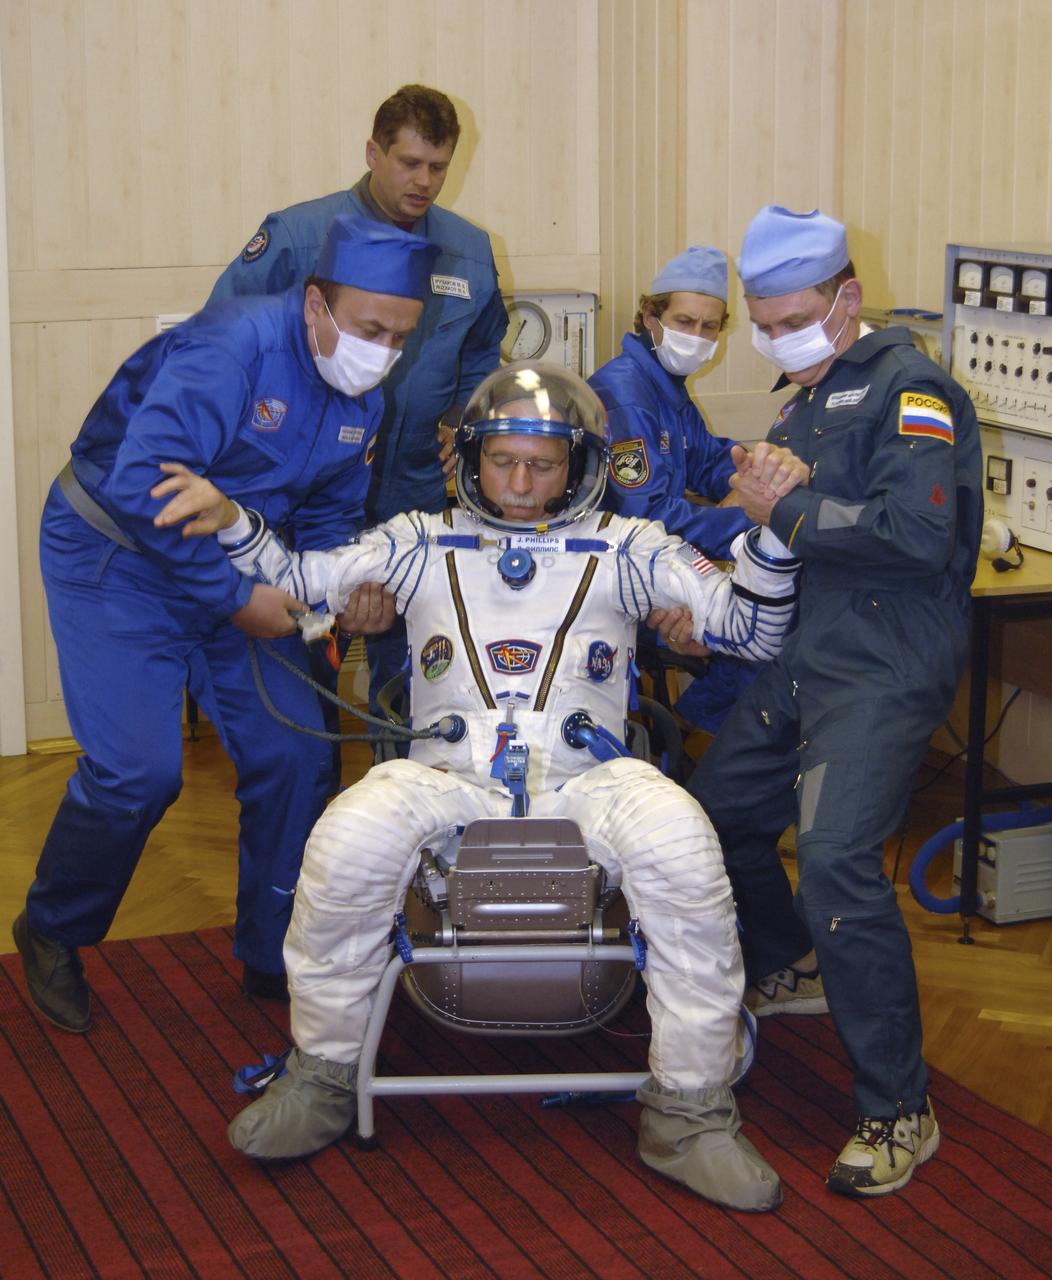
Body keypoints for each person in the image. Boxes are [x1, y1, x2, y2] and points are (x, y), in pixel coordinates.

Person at [157, 362, 804, 1212]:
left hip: (589, 777)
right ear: (470, 458)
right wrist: (233, 520)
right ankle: (322, 1075)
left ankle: (690, 1112)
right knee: (348, 835)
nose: (523, 483)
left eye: (544, 464)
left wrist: (770, 532)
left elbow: (750, 629)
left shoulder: (631, 546)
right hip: (448, 776)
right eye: (503, 461)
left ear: (579, 465)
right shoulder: (419, 541)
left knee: (683, 845)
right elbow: (300, 582)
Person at [12, 214, 440, 1032]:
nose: (383, 353)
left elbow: (328, 514)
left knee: (296, 755)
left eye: (401, 336)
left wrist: (338, 585)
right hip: (116, 556)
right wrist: (237, 599)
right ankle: (52, 927)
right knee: (136, 775)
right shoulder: (232, 348)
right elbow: (143, 483)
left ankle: (272, 947)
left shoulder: (366, 398)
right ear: (314, 304)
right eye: (370, 330)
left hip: (237, 564)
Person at [679, 206, 983, 1198]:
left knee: (838, 859)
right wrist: (717, 577)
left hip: (886, 659)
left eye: (791, 320)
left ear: (847, 297)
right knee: (714, 814)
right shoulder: (805, 401)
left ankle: (899, 1107)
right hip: (812, 649)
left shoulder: (911, 389)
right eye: (763, 324)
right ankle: (793, 962)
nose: (775, 339)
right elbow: (783, 533)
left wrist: (790, 506)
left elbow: (917, 537)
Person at [208, 84, 508, 714]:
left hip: (411, 488)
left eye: (438, 167)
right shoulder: (299, 237)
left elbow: (482, 350)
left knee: (415, 666)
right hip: (306, 491)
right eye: (410, 163)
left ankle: (402, 771)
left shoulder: (469, 251)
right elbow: (221, 345)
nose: (424, 181)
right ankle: (311, 766)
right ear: (373, 153)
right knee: (304, 664)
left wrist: (461, 420)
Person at [589, 246, 779, 733]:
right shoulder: (626, 395)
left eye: (709, 327)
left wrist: (751, 473)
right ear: (650, 317)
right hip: (619, 576)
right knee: (761, 629)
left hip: (658, 562)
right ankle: (705, 732)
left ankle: (706, 734)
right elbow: (646, 517)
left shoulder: (665, 386)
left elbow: (707, 457)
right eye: (685, 321)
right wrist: (753, 517)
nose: (696, 336)